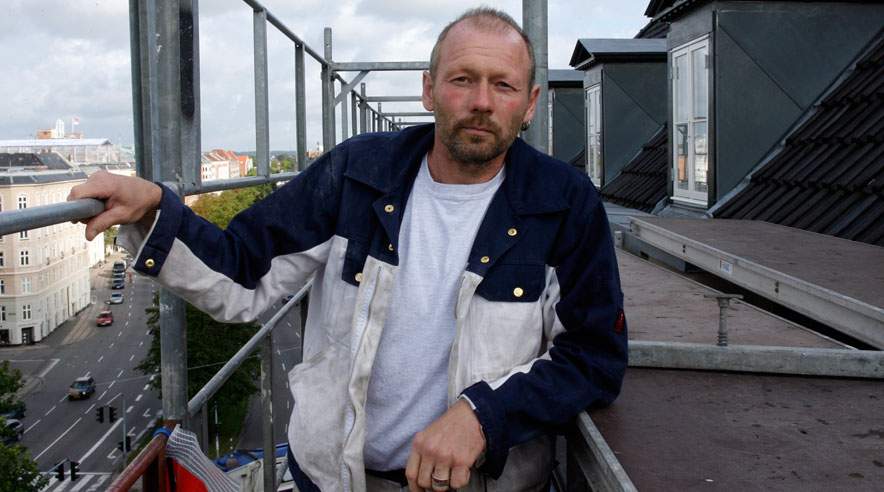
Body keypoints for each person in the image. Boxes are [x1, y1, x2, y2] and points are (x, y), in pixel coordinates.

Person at [69, 7, 627, 492]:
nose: (481, 102)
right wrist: (154, 209)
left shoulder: (563, 205)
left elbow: (594, 356)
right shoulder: (357, 176)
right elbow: (242, 274)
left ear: (529, 104)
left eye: (502, 86)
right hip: (336, 480)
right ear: (429, 89)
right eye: (463, 79)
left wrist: (484, 416)